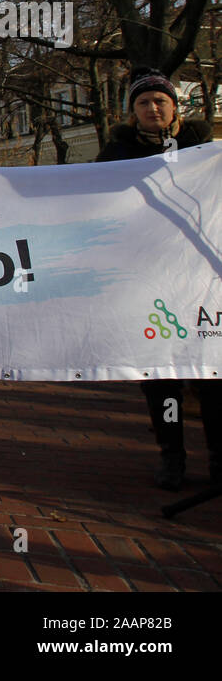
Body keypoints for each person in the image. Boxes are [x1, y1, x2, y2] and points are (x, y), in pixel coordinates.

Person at [95, 68, 221, 491]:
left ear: (174, 107)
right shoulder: (116, 155)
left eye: (160, 101)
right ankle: (173, 456)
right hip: (148, 279)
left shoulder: (202, 148)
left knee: (211, 372)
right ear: (132, 111)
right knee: (161, 375)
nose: (153, 109)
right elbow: (93, 201)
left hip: (200, 279)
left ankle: (218, 458)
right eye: (144, 103)